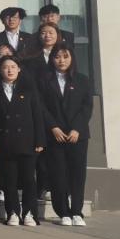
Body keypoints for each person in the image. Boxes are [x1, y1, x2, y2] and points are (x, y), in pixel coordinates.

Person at [40, 44, 93, 226]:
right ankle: (63, 211)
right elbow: (41, 106)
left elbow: (87, 107)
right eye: (57, 57)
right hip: (55, 134)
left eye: (65, 56)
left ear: (72, 59)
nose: (61, 60)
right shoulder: (44, 80)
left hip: (77, 135)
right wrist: (53, 127)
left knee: (77, 174)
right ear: (52, 59)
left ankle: (76, 211)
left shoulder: (82, 80)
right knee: (58, 174)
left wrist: (77, 128)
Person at [0, 56, 46, 226]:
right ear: (0, 70)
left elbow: (37, 115)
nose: (10, 70)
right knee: (9, 180)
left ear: (19, 69)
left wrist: (40, 140)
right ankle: (12, 212)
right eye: (6, 67)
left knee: (29, 179)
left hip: (27, 140)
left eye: (13, 66)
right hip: (5, 141)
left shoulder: (28, 89)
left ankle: (30, 213)